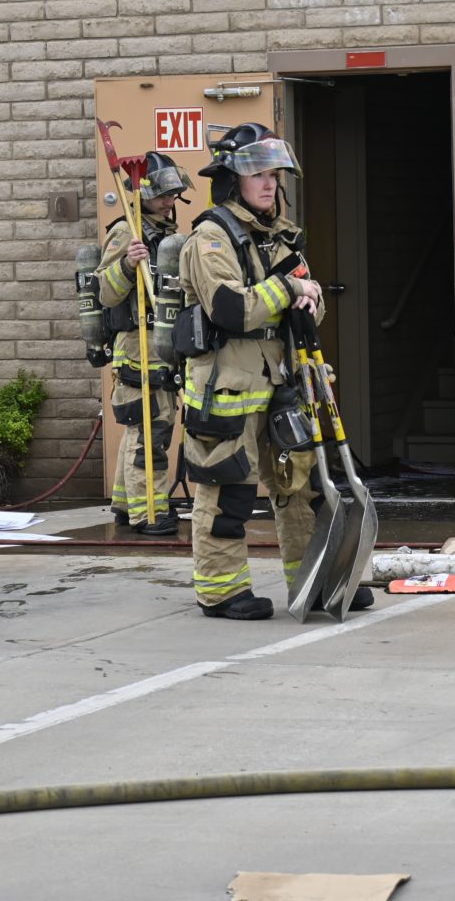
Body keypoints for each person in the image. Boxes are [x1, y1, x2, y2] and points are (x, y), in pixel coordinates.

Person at [178, 122, 374, 618]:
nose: (269, 184)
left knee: (300, 487)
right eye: (258, 175)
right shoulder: (211, 238)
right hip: (227, 388)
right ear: (232, 180)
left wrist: (308, 300)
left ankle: (314, 581)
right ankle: (221, 592)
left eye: (274, 175)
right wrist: (289, 291)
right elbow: (230, 309)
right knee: (228, 492)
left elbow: (311, 300)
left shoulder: (280, 238)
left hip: (282, 384)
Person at [96, 152, 193, 534]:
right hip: (138, 347)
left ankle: (125, 504)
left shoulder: (165, 233)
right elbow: (105, 292)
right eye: (163, 194)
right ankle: (148, 512)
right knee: (150, 430)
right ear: (143, 194)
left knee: (143, 426)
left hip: (161, 346)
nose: (170, 201)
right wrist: (126, 264)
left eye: (173, 194)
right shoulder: (127, 231)